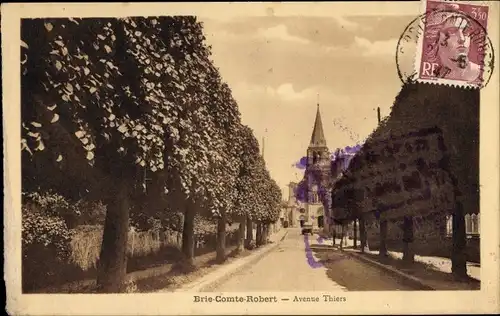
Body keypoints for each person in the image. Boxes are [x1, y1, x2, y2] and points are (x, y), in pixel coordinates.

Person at [423, 3, 484, 82]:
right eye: (452, 32)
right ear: (435, 39)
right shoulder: (434, 73)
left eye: (465, 32)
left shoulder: (478, 72)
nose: (462, 39)